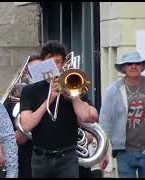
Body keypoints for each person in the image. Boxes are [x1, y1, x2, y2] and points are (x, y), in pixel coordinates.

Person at [19, 40, 98, 178]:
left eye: (57, 62)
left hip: (67, 157)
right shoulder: (29, 91)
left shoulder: (74, 85)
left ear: (63, 64)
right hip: (40, 157)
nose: (54, 66)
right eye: (49, 62)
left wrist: (73, 95)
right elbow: (26, 125)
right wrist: (49, 99)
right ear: (42, 64)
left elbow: (87, 117)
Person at [99, 51, 145, 178]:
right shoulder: (113, 90)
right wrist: (103, 153)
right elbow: (105, 122)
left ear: (142, 66)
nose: (133, 66)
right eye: (129, 64)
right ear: (123, 68)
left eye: (137, 63)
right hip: (124, 151)